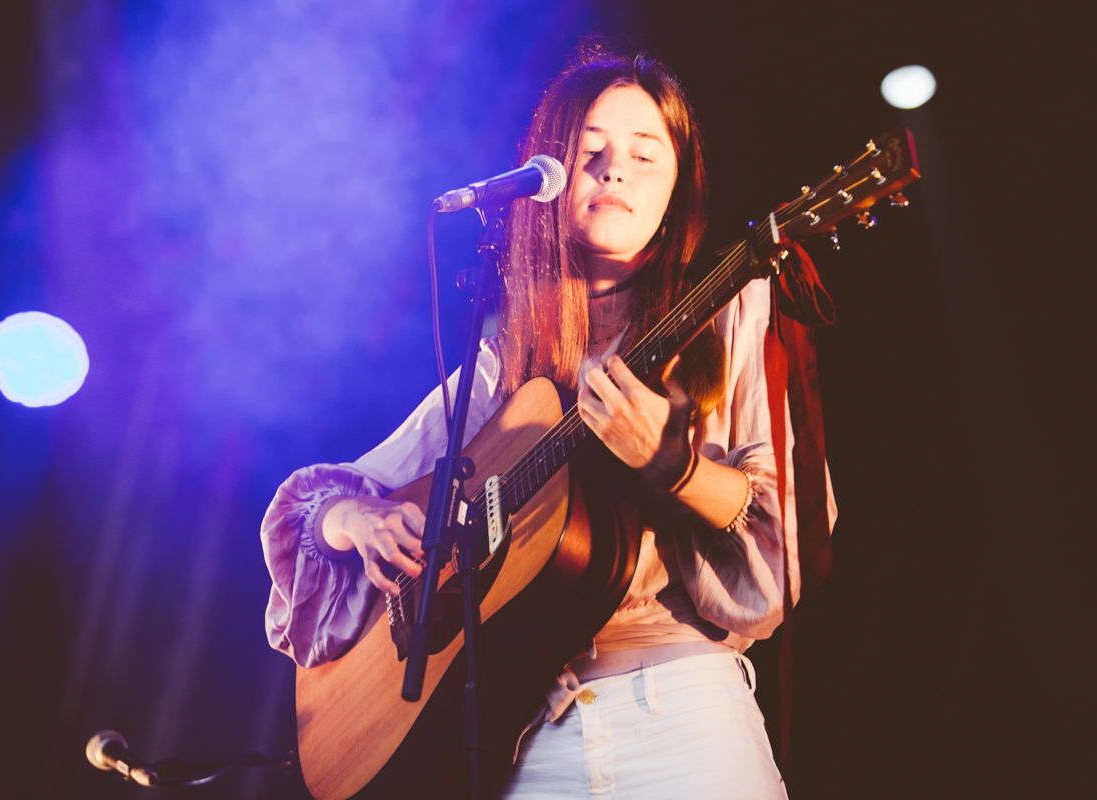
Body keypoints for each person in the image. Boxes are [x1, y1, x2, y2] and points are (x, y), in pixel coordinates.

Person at [262, 41, 835, 799]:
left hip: (685, 714)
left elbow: (791, 539)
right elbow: (319, 507)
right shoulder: (507, 360)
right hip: (539, 736)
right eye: (590, 149)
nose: (614, 169)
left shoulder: (731, 312)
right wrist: (355, 523)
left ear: (678, 192)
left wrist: (678, 470)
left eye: (645, 153)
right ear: (549, 180)